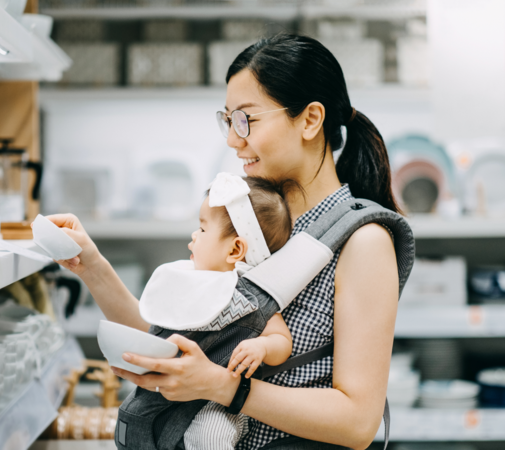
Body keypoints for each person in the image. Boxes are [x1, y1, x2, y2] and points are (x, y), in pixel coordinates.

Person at [49, 33, 403, 450]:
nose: (234, 140)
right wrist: (90, 265)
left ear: (310, 119)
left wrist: (224, 388)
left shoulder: (364, 242)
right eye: (228, 120)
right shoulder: (248, 221)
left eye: (246, 120)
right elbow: (171, 343)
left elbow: (358, 423)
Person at [132, 173, 294, 450]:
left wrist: (262, 347)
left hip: (220, 404)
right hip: (174, 396)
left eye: (203, 230)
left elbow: (282, 340)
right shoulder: (189, 280)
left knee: (209, 435)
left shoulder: (251, 294)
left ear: (235, 249)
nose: (194, 235)